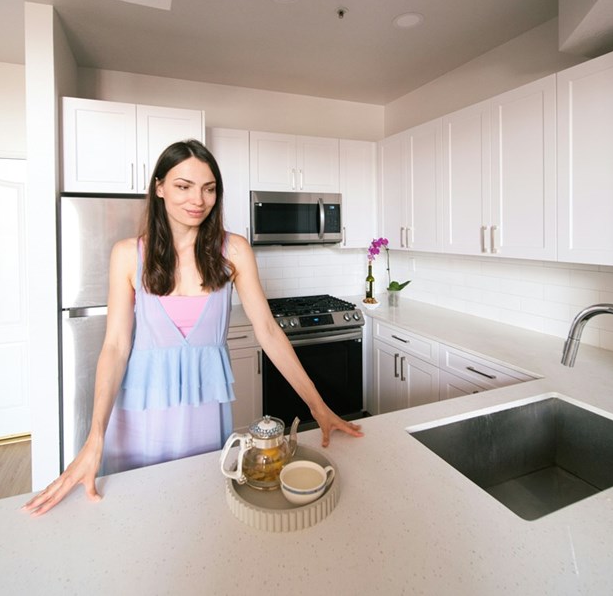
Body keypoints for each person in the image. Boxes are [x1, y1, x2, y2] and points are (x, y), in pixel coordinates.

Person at [24, 139, 363, 516]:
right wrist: (94, 438)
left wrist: (318, 406)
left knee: (202, 511)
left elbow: (268, 331)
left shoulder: (232, 251)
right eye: (183, 186)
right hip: (141, 411)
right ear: (159, 187)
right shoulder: (127, 255)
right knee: (137, 515)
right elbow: (116, 347)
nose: (197, 199)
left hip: (205, 410)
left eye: (208, 188)